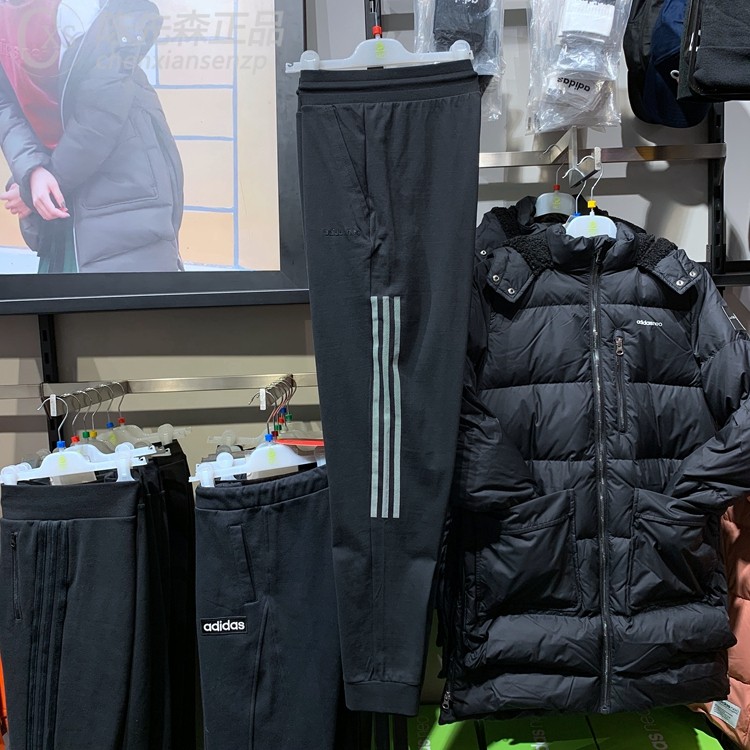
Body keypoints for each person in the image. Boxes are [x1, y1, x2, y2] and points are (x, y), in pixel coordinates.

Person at [0, 0, 184, 273]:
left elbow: (100, 115)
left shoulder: (91, 11)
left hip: (121, 189)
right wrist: (32, 171)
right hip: (59, 200)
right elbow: (5, 104)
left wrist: (32, 188)